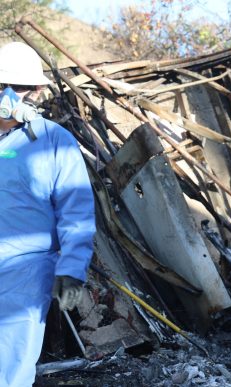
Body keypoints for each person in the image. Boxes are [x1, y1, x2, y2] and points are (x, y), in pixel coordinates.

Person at [0, 42, 96, 386]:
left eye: (17, 88)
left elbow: (76, 211)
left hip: (24, 273)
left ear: (37, 91)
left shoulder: (54, 141)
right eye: (0, 87)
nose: (7, 95)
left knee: (8, 366)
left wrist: (71, 269)